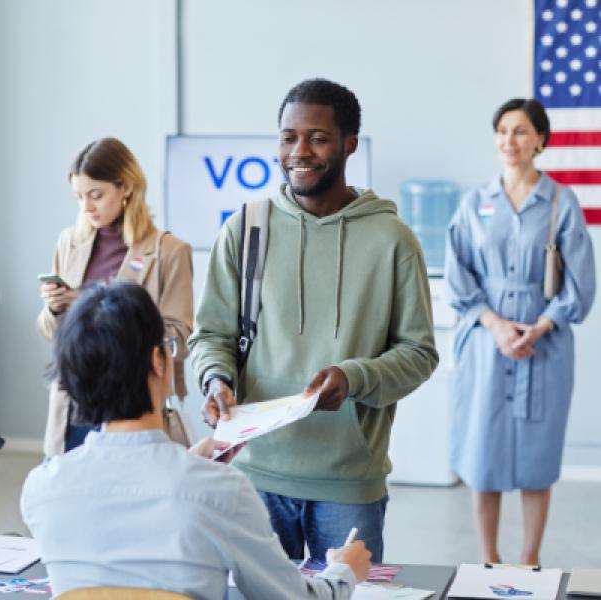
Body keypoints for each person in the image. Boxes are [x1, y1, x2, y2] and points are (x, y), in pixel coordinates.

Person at [188, 78, 438, 563]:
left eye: (317, 138)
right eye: (288, 137)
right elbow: (212, 334)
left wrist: (356, 376)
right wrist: (215, 379)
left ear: (349, 144)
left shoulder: (393, 240)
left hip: (348, 484)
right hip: (253, 473)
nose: (299, 151)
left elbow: (419, 352)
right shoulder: (245, 228)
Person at [21, 281, 371, 599]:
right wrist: (344, 571)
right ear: (159, 361)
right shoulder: (221, 490)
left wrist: (189, 465)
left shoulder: (42, 489)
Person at [444, 97, 596, 565]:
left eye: (521, 131)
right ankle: (488, 560)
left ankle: (530, 560)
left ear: (541, 141)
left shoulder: (559, 202)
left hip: (544, 344)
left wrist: (539, 327)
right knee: (482, 453)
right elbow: (459, 274)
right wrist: (495, 326)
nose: (509, 140)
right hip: (486, 342)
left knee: (537, 453)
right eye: (502, 130)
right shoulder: (476, 202)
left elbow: (581, 283)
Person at [37, 137, 193, 456]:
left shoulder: (169, 252)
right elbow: (50, 333)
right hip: (75, 402)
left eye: (96, 195)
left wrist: (95, 308)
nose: (86, 207)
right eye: (79, 196)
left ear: (126, 188)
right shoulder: (69, 242)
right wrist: (54, 310)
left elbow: (180, 339)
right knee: (71, 497)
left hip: (135, 404)